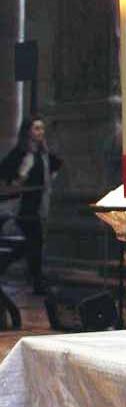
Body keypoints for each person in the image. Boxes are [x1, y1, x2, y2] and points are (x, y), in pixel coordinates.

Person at [0, 116, 63, 294]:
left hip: (38, 204)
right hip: (24, 206)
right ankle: (33, 280)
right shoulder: (21, 153)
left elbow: (55, 164)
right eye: (36, 128)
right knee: (33, 242)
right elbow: (5, 171)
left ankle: (36, 280)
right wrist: (17, 181)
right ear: (28, 131)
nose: (40, 132)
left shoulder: (42, 153)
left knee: (35, 243)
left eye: (42, 128)